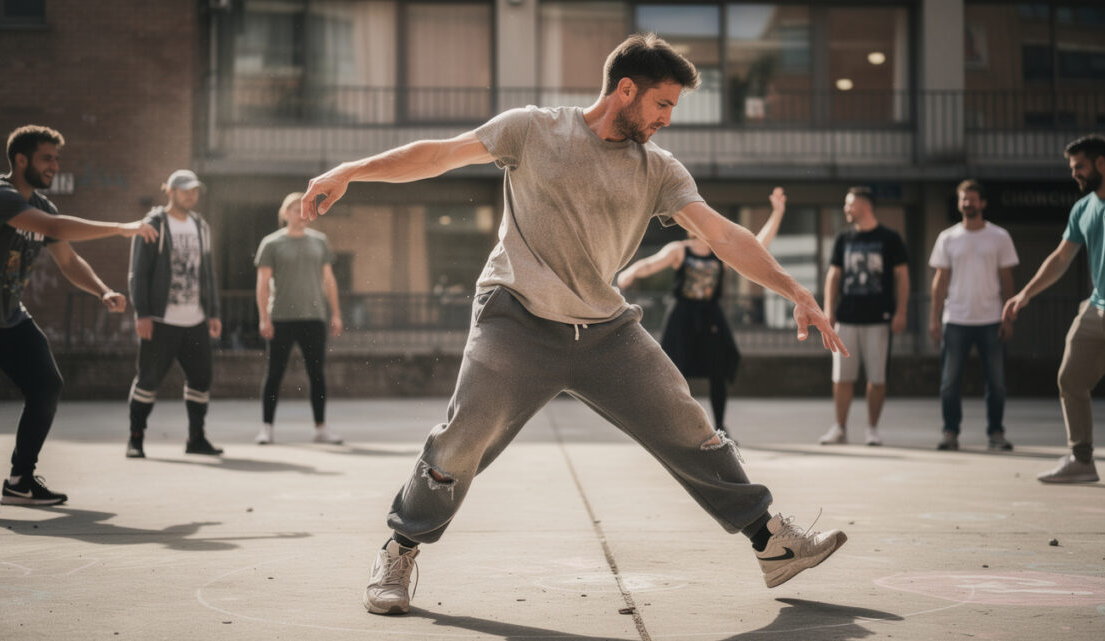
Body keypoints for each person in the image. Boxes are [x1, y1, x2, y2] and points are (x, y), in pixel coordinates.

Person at [302, 33, 850, 616]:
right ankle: (399, 549)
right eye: (662, 104)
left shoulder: (658, 169)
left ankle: (772, 543)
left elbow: (722, 235)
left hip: (604, 329)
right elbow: (439, 154)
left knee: (688, 423)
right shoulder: (532, 130)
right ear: (626, 89)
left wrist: (795, 289)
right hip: (515, 316)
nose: (668, 118)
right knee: (463, 439)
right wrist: (354, 170)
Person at [0, 125, 157, 506]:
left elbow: (67, 259)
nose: (54, 166)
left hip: (8, 317)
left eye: (56, 159)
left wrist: (102, 291)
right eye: (46, 158)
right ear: (21, 160)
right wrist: (120, 228)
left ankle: (20, 479)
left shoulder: (43, 205)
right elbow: (52, 228)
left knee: (46, 385)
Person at [1003, 135, 1105, 484]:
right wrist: (1024, 294)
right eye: (1072, 168)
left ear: (1101, 164)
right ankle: (1082, 460)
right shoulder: (1083, 208)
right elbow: (1060, 258)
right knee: (1070, 378)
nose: (1074, 174)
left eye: (1079, 167)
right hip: (1097, 307)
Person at [617, 187, 787, 438]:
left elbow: (756, 248)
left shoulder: (720, 252)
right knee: (674, 372)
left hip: (710, 318)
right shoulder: (679, 250)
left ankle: (720, 427)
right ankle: (675, 427)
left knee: (718, 371)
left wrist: (777, 213)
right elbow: (652, 263)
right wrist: (630, 272)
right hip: (683, 318)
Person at [125, 170, 223, 459]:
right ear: (170, 191)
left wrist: (213, 312)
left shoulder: (200, 226)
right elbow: (138, 273)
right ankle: (135, 438)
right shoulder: (153, 225)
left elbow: (208, 272)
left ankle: (196, 438)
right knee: (148, 380)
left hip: (195, 319)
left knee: (201, 378)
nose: (191, 195)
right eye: (185, 190)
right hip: (161, 319)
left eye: (194, 191)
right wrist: (142, 313)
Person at [928, 180, 1019, 451]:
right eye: (963, 199)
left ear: (983, 203)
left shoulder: (999, 236)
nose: (968, 203)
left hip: (991, 319)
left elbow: (1007, 280)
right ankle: (950, 432)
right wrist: (934, 318)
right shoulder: (948, 237)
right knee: (949, 382)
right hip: (955, 319)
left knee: (997, 382)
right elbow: (939, 281)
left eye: (973, 199)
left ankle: (996, 433)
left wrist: (1008, 318)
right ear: (959, 203)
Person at [819, 187, 909, 447]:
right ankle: (840, 428)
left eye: (850, 204)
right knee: (842, 377)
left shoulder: (889, 238)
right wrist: (828, 310)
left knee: (876, 378)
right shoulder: (843, 238)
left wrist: (901, 311)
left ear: (865, 205)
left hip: (879, 318)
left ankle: (872, 429)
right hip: (846, 318)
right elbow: (833, 276)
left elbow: (902, 277)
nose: (846, 209)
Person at [253, 192, 344, 445]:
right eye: (295, 209)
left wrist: (335, 313)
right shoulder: (271, 243)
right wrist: (263, 318)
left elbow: (329, 280)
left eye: (305, 209)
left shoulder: (320, 242)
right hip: (281, 318)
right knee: (274, 373)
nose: (301, 214)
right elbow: (262, 283)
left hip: (314, 318)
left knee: (317, 374)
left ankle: (321, 427)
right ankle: (266, 428)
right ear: (285, 213)